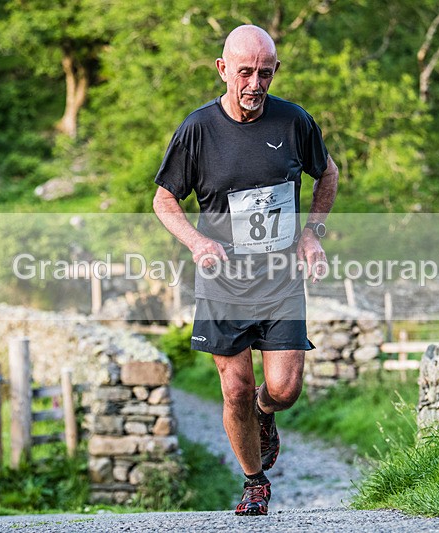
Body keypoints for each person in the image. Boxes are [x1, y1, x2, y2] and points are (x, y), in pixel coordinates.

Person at [152, 24, 338, 516]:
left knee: (284, 389)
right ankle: (254, 482)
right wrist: (196, 241)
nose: (255, 84)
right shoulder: (198, 129)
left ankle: (263, 413)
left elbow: (329, 172)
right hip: (222, 282)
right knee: (233, 386)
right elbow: (164, 197)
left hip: (279, 279)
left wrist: (311, 234)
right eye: (245, 73)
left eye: (265, 73)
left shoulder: (294, 122)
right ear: (222, 69)